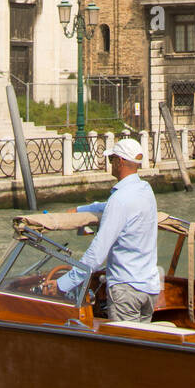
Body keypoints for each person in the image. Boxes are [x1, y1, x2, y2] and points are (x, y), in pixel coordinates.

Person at [54, 137, 161, 321]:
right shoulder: (145, 190)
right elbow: (109, 206)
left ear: (120, 161)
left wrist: (62, 284)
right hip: (149, 289)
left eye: (111, 159)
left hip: (127, 290)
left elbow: (96, 254)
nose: (110, 163)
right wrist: (80, 210)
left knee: (126, 347)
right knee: (141, 344)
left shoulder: (119, 200)